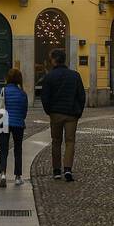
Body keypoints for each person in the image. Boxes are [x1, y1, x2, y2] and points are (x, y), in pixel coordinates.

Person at [40, 47, 86, 182]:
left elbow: (45, 97)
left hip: (56, 113)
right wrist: (78, 111)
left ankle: (56, 170)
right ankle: (67, 168)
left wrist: (49, 111)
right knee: (70, 141)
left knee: (56, 141)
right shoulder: (75, 75)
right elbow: (81, 96)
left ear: (54, 60)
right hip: (72, 113)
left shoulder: (49, 77)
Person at [0, 67, 29, 188]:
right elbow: (24, 111)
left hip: (3, 121)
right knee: (18, 149)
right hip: (18, 123)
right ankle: (18, 176)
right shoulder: (23, 94)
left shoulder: (2, 90)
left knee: (3, 149)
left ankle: (3, 174)